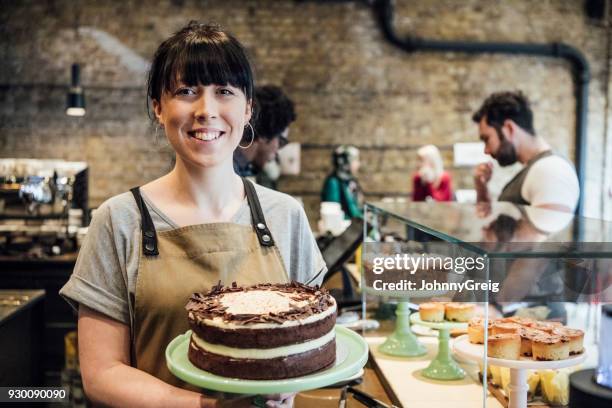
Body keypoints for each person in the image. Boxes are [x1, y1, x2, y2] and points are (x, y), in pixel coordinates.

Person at [59, 22, 326, 408]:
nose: (206, 111)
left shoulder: (285, 215)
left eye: (224, 92)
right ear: (158, 106)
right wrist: (208, 406)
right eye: (186, 91)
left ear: (248, 107)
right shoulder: (118, 220)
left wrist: (290, 382)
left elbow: (308, 341)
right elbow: (102, 374)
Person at [472, 91, 579, 213]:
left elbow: (547, 230)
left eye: (487, 139)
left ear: (509, 129)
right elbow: (492, 223)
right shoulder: (537, 168)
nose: (486, 150)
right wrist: (482, 188)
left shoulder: (551, 169)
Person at [233, 85, 296, 189]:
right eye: (281, 142)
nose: (277, 151)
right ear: (264, 136)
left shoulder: (236, 166)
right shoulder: (231, 172)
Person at [321, 145, 364, 219]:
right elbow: (333, 214)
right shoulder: (333, 183)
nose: (358, 164)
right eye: (355, 160)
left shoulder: (350, 182)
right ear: (345, 162)